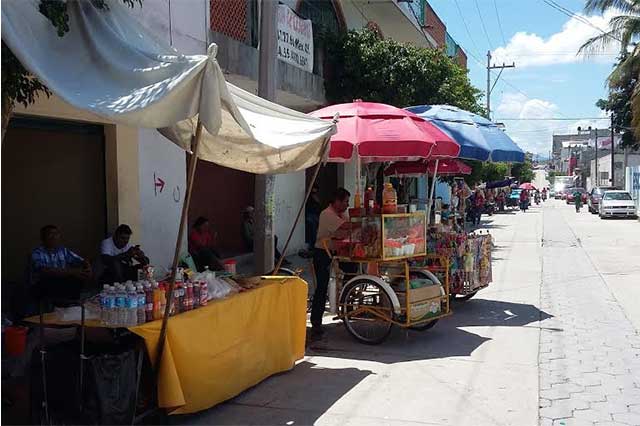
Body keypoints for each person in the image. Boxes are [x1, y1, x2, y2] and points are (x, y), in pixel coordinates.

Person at [311, 187, 352, 338]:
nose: (347, 205)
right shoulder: (327, 214)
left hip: (337, 253)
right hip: (322, 253)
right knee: (322, 287)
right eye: (345, 202)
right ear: (336, 201)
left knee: (351, 274)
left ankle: (348, 308)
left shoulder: (342, 213)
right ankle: (316, 323)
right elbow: (346, 226)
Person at [30, 225, 92, 303]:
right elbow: (45, 271)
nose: (54, 237)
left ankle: (70, 304)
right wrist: (73, 272)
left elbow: (82, 260)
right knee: (65, 278)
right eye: (50, 234)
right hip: (42, 283)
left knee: (79, 277)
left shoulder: (63, 250)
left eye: (56, 234)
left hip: (60, 280)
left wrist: (88, 268)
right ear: (43, 238)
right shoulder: (37, 252)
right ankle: (56, 306)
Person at [305, 185, 322, 251]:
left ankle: (314, 246)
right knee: (312, 231)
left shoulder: (314, 197)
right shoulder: (309, 197)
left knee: (315, 231)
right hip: (311, 215)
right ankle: (312, 246)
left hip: (315, 215)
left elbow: (318, 205)